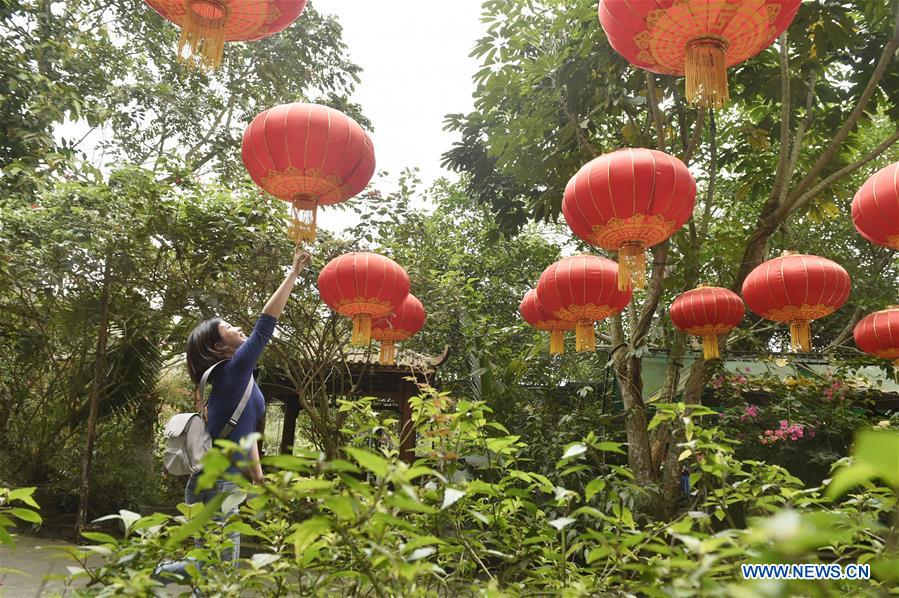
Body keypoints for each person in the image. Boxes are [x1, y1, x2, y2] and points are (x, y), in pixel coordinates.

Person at [154, 249, 311, 584]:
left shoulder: (243, 379)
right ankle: (162, 572)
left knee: (211, 563)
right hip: (217, 484)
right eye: (227, 326)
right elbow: (265, 325)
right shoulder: (232, 371)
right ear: (215, 346)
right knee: (219, 567)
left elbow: (246, 435)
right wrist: (293, 274)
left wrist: (258, 479)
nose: (237, 327)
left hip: (219, 482)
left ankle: (166, 574)